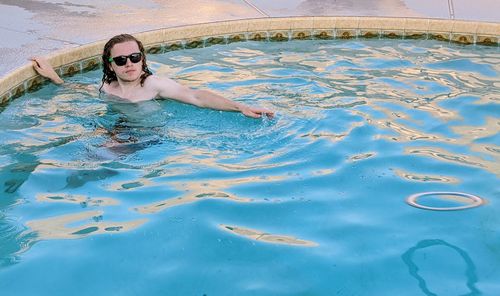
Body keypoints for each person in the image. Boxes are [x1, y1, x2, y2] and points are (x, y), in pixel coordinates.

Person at [32, 33, 274, 119]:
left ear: (142, 59)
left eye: (135, 57)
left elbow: (196, 96)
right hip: (116, 130)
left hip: (145, 138)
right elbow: (83, 90)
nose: (129, 64)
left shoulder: (153, 85)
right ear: (110, 66)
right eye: (121, 60)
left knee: (94, 158)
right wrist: (57, 80)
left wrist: (240, 106)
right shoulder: (106, 87)